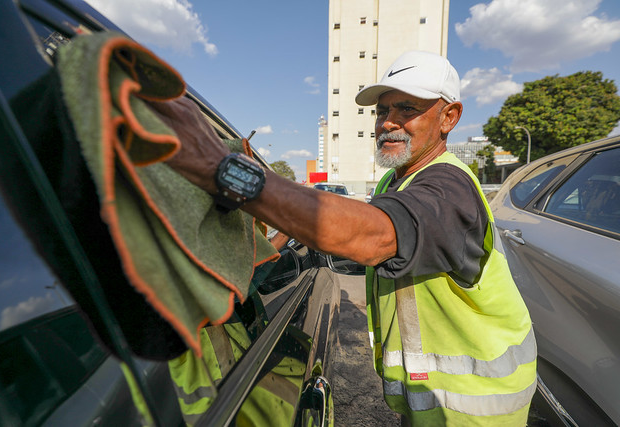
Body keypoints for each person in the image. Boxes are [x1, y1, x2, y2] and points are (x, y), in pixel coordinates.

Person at [167, 50, 537, 426]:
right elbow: (375, 250)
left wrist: (227, 173)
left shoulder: (448, 186)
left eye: (406, 109)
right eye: (382, 111)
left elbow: (374, 237)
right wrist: (272, 246)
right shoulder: (398, 179)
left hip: (477, 404)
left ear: (449, 117)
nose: (387, 123)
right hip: (436, 397)